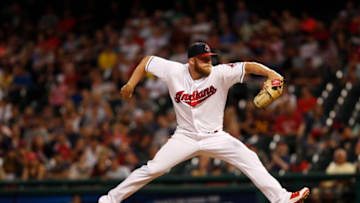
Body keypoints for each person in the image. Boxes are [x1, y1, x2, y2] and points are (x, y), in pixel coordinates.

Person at [99, 42, 310, 203]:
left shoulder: (220, 74)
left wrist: (271, 73)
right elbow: (147, 61)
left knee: (250, 158)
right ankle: (110, 200)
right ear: (191, 61)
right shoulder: (174, 71)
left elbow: (249, 66)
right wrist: (130, 84)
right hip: (185, 137)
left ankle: (282, 199)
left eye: (209, 58)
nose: (209, 62)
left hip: (216, 136)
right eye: (203, 59)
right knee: (154, 168)